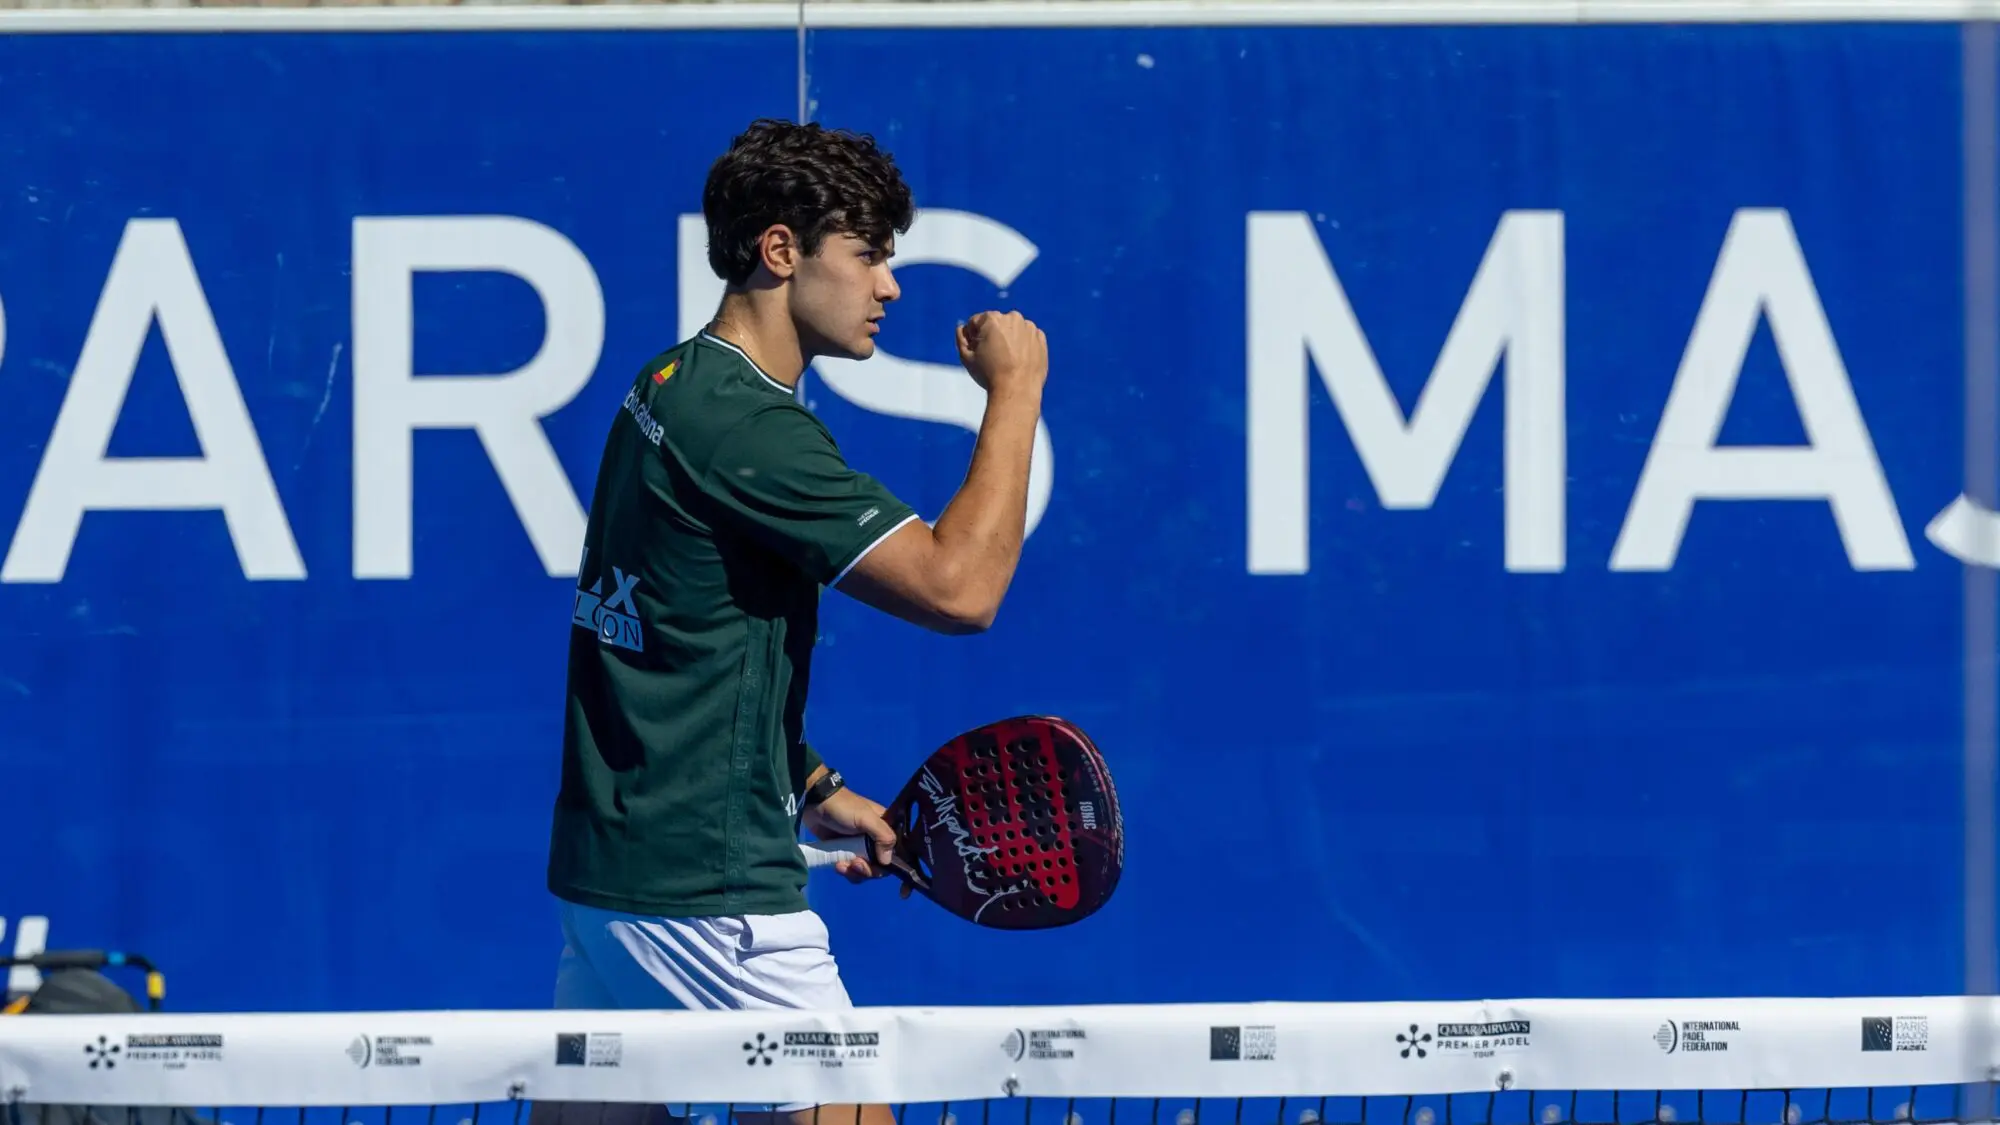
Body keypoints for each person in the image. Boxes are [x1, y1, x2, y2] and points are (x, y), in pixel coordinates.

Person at [541, 118, 1049, 1125]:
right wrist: (1016, 389)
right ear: (780, 251)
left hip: (613, 886)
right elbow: (960, 591)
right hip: (710, 902)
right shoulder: (746, 428)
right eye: (866, 254)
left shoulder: (669, 384)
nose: (888, 287)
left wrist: (807, 784)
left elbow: (675, 639)